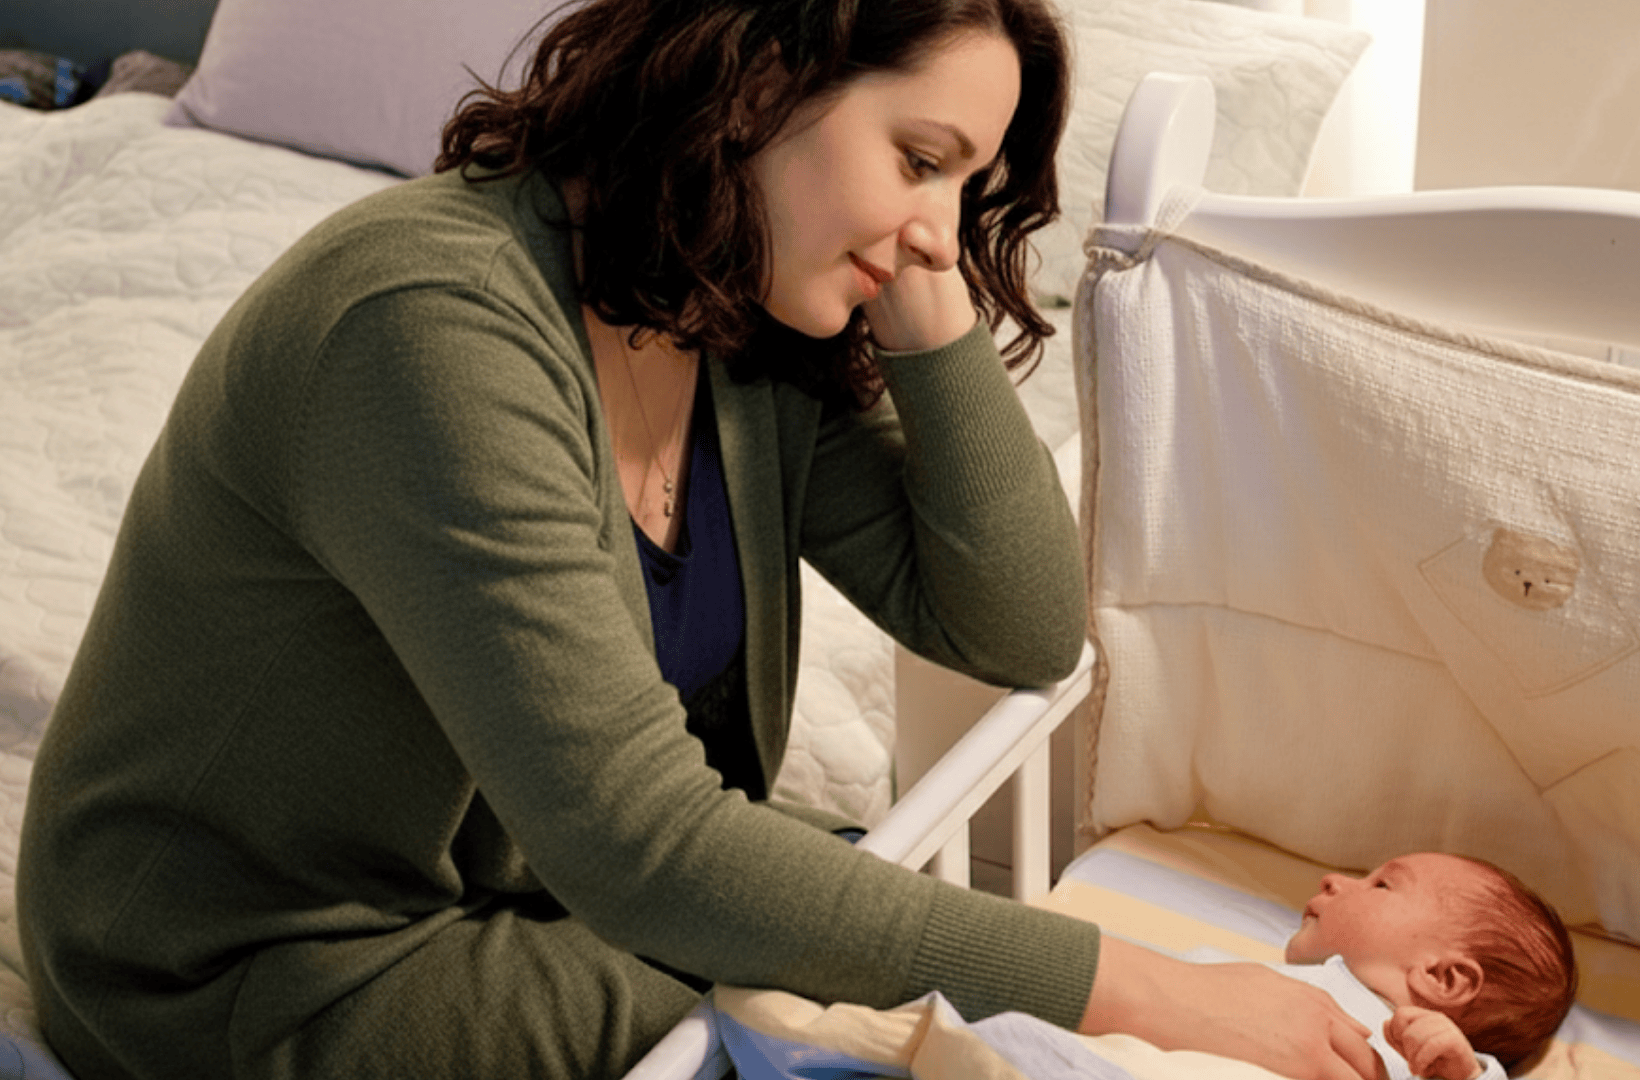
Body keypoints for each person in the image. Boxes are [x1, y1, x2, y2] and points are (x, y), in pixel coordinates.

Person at [15, 1, 1390, 1078]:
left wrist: (927, 292)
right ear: (753, 84)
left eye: (968, 190)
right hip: (255, 968)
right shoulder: (427, 325)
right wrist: (1149, 989)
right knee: (882, 992)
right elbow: (648, 846)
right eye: (919, 160)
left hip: (525, 889)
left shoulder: (733, 318)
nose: (938, 230)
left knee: (886, 939)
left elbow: (1017, 625)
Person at [1275, 852, 1579, 1079]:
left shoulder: (1419, 1059)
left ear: (1442, 977)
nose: (1331, 880)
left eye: (1381, 885)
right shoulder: (1288, 979)